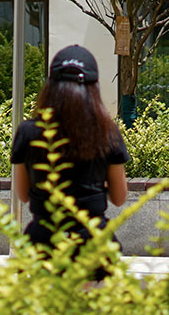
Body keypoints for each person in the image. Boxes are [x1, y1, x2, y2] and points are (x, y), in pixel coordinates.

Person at [10, 45, 130, 265]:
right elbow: (119, 197)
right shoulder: (107, 132)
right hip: (95, 247)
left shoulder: (27, 132)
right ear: (93, 89)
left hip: (43, 246)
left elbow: (24, 194)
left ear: (51, 87)